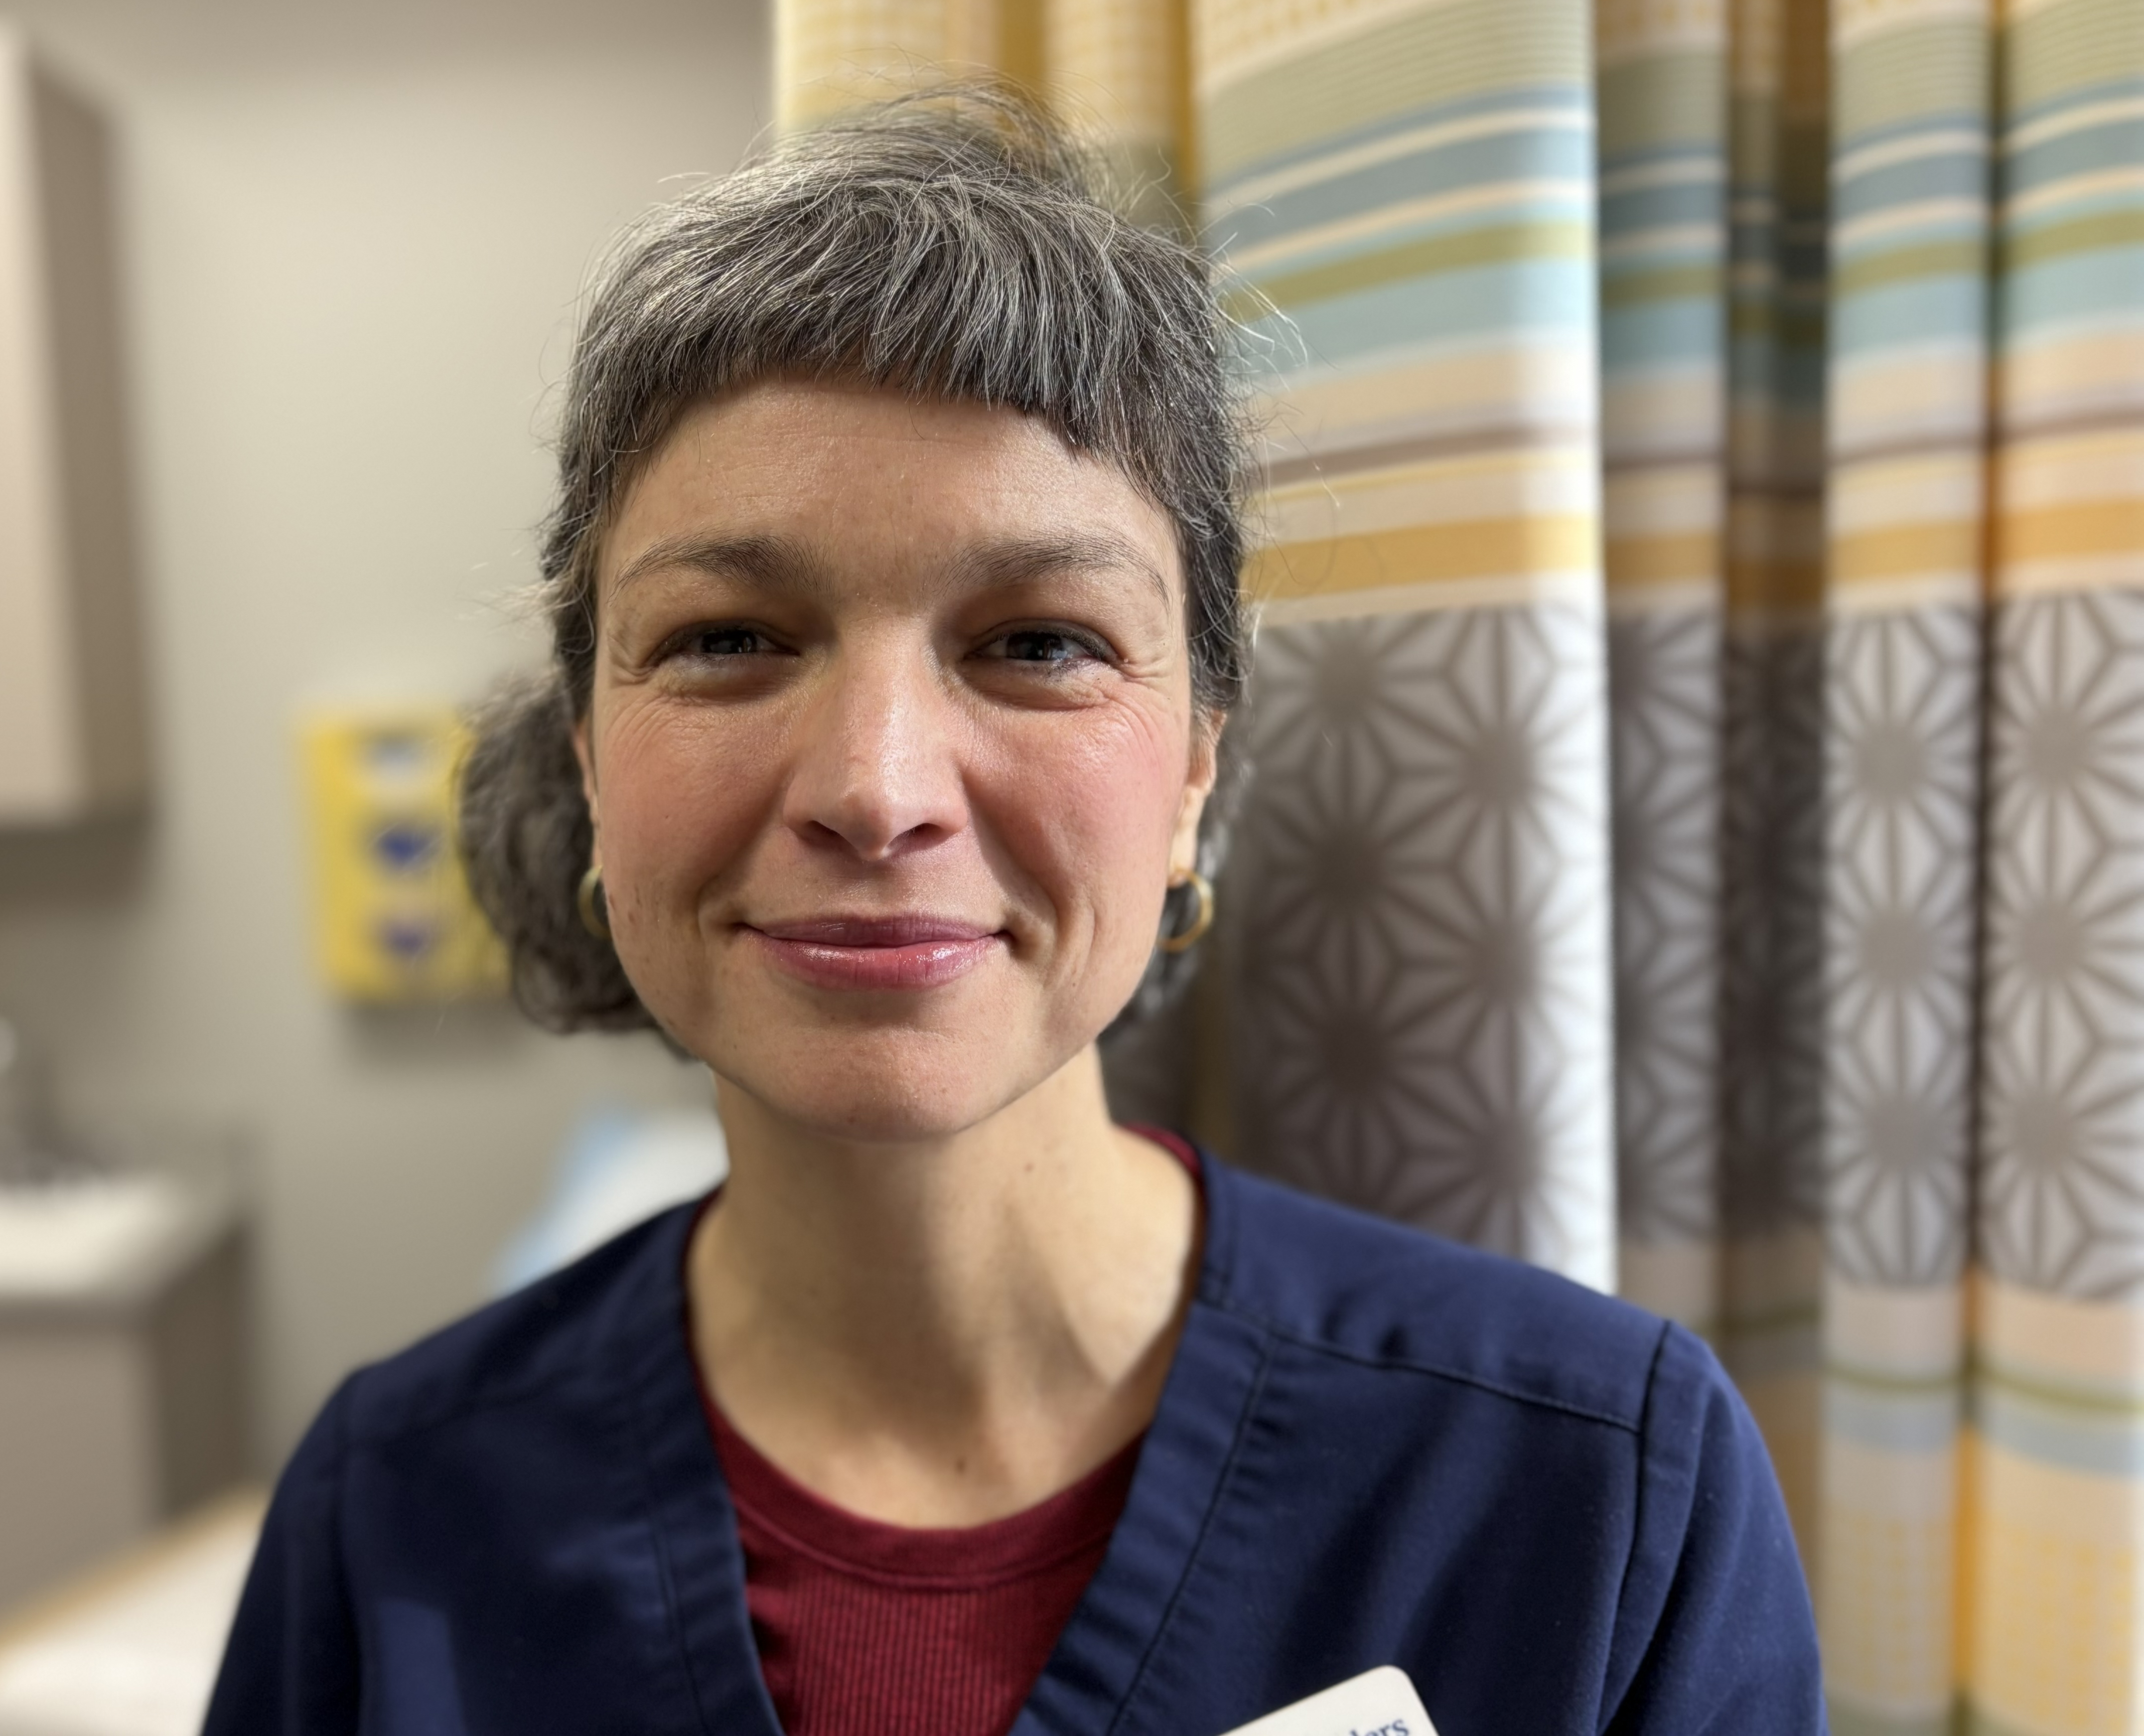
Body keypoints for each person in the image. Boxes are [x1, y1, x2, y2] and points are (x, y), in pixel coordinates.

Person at [205, 94, 1823, 1735]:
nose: (876, 783)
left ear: (1196, 766)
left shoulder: (1594, 1492)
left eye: (1040, 641)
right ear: (589, 755)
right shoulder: (391, 1519)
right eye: (728, 638)